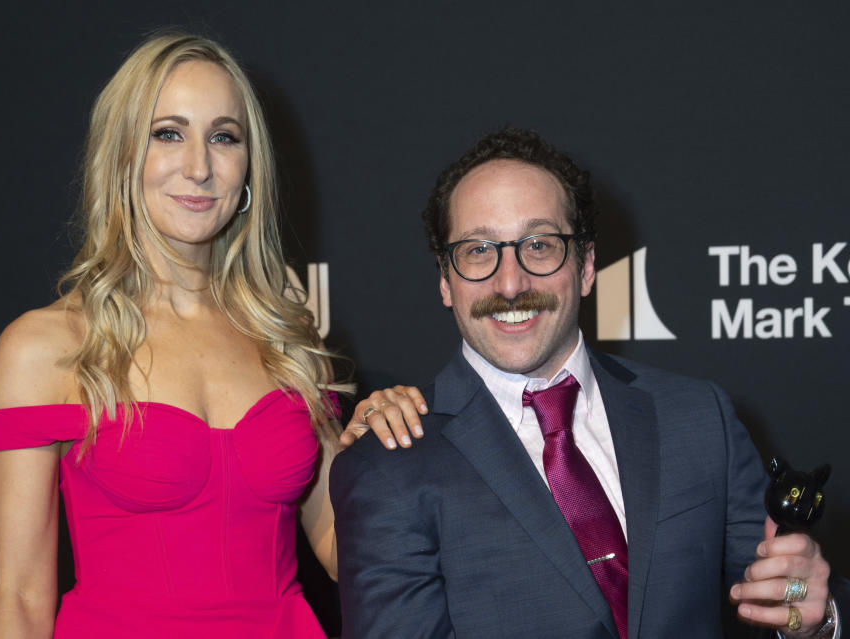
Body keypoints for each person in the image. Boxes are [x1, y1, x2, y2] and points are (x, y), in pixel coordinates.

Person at [0, 32, 414, 638]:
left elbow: (351, 548)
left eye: (223, 137)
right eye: (168, 133)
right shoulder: (47, 346)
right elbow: (22, 599)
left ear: (248, 167)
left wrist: (388, 449)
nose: (200, 166)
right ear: (122, 154)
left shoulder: (284, 333)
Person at [331, 127, 845, 638]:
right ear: (445, 279)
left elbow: (775, 599)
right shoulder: (388, 466)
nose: (510, 284)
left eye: (539, 245)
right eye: (478, 250)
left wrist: (812, 617)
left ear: (587, 266)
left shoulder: (697, 417)